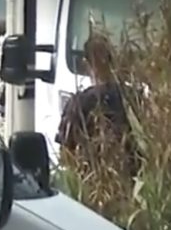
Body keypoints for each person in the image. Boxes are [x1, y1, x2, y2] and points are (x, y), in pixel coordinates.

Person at [57, 33, 136, 174]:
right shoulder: (133, 97)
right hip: (132, 179)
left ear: (85, 63)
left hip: (93, 181)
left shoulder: (78, 103)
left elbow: (65, 155)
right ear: (112, 60)